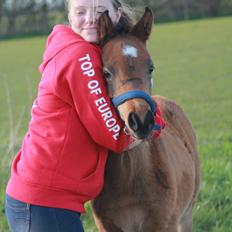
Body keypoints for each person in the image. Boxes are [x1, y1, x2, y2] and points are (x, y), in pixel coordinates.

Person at [5, 0, 165, 231]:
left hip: (42, 198)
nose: (90, 19)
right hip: (44, 202)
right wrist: (155, 122)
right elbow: (115, 136)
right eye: (80, 11)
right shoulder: (80, 56)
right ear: (69, 17)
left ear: (117, 14)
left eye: (100, 11)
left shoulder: (78, 49)